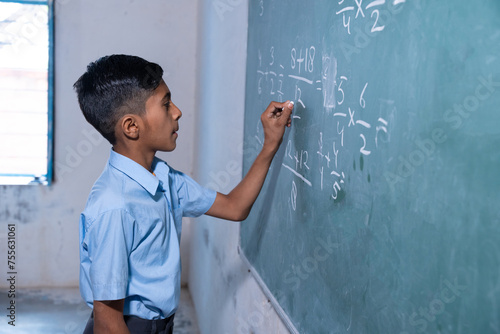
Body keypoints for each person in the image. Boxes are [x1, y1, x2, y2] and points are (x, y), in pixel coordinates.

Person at [74, 54, 293, 334]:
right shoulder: (113, 205)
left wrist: (269, 144)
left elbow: (235, 207)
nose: (177, 112)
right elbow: (107, 322)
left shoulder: (163, 178)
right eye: (166, 104)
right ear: (131, 126)